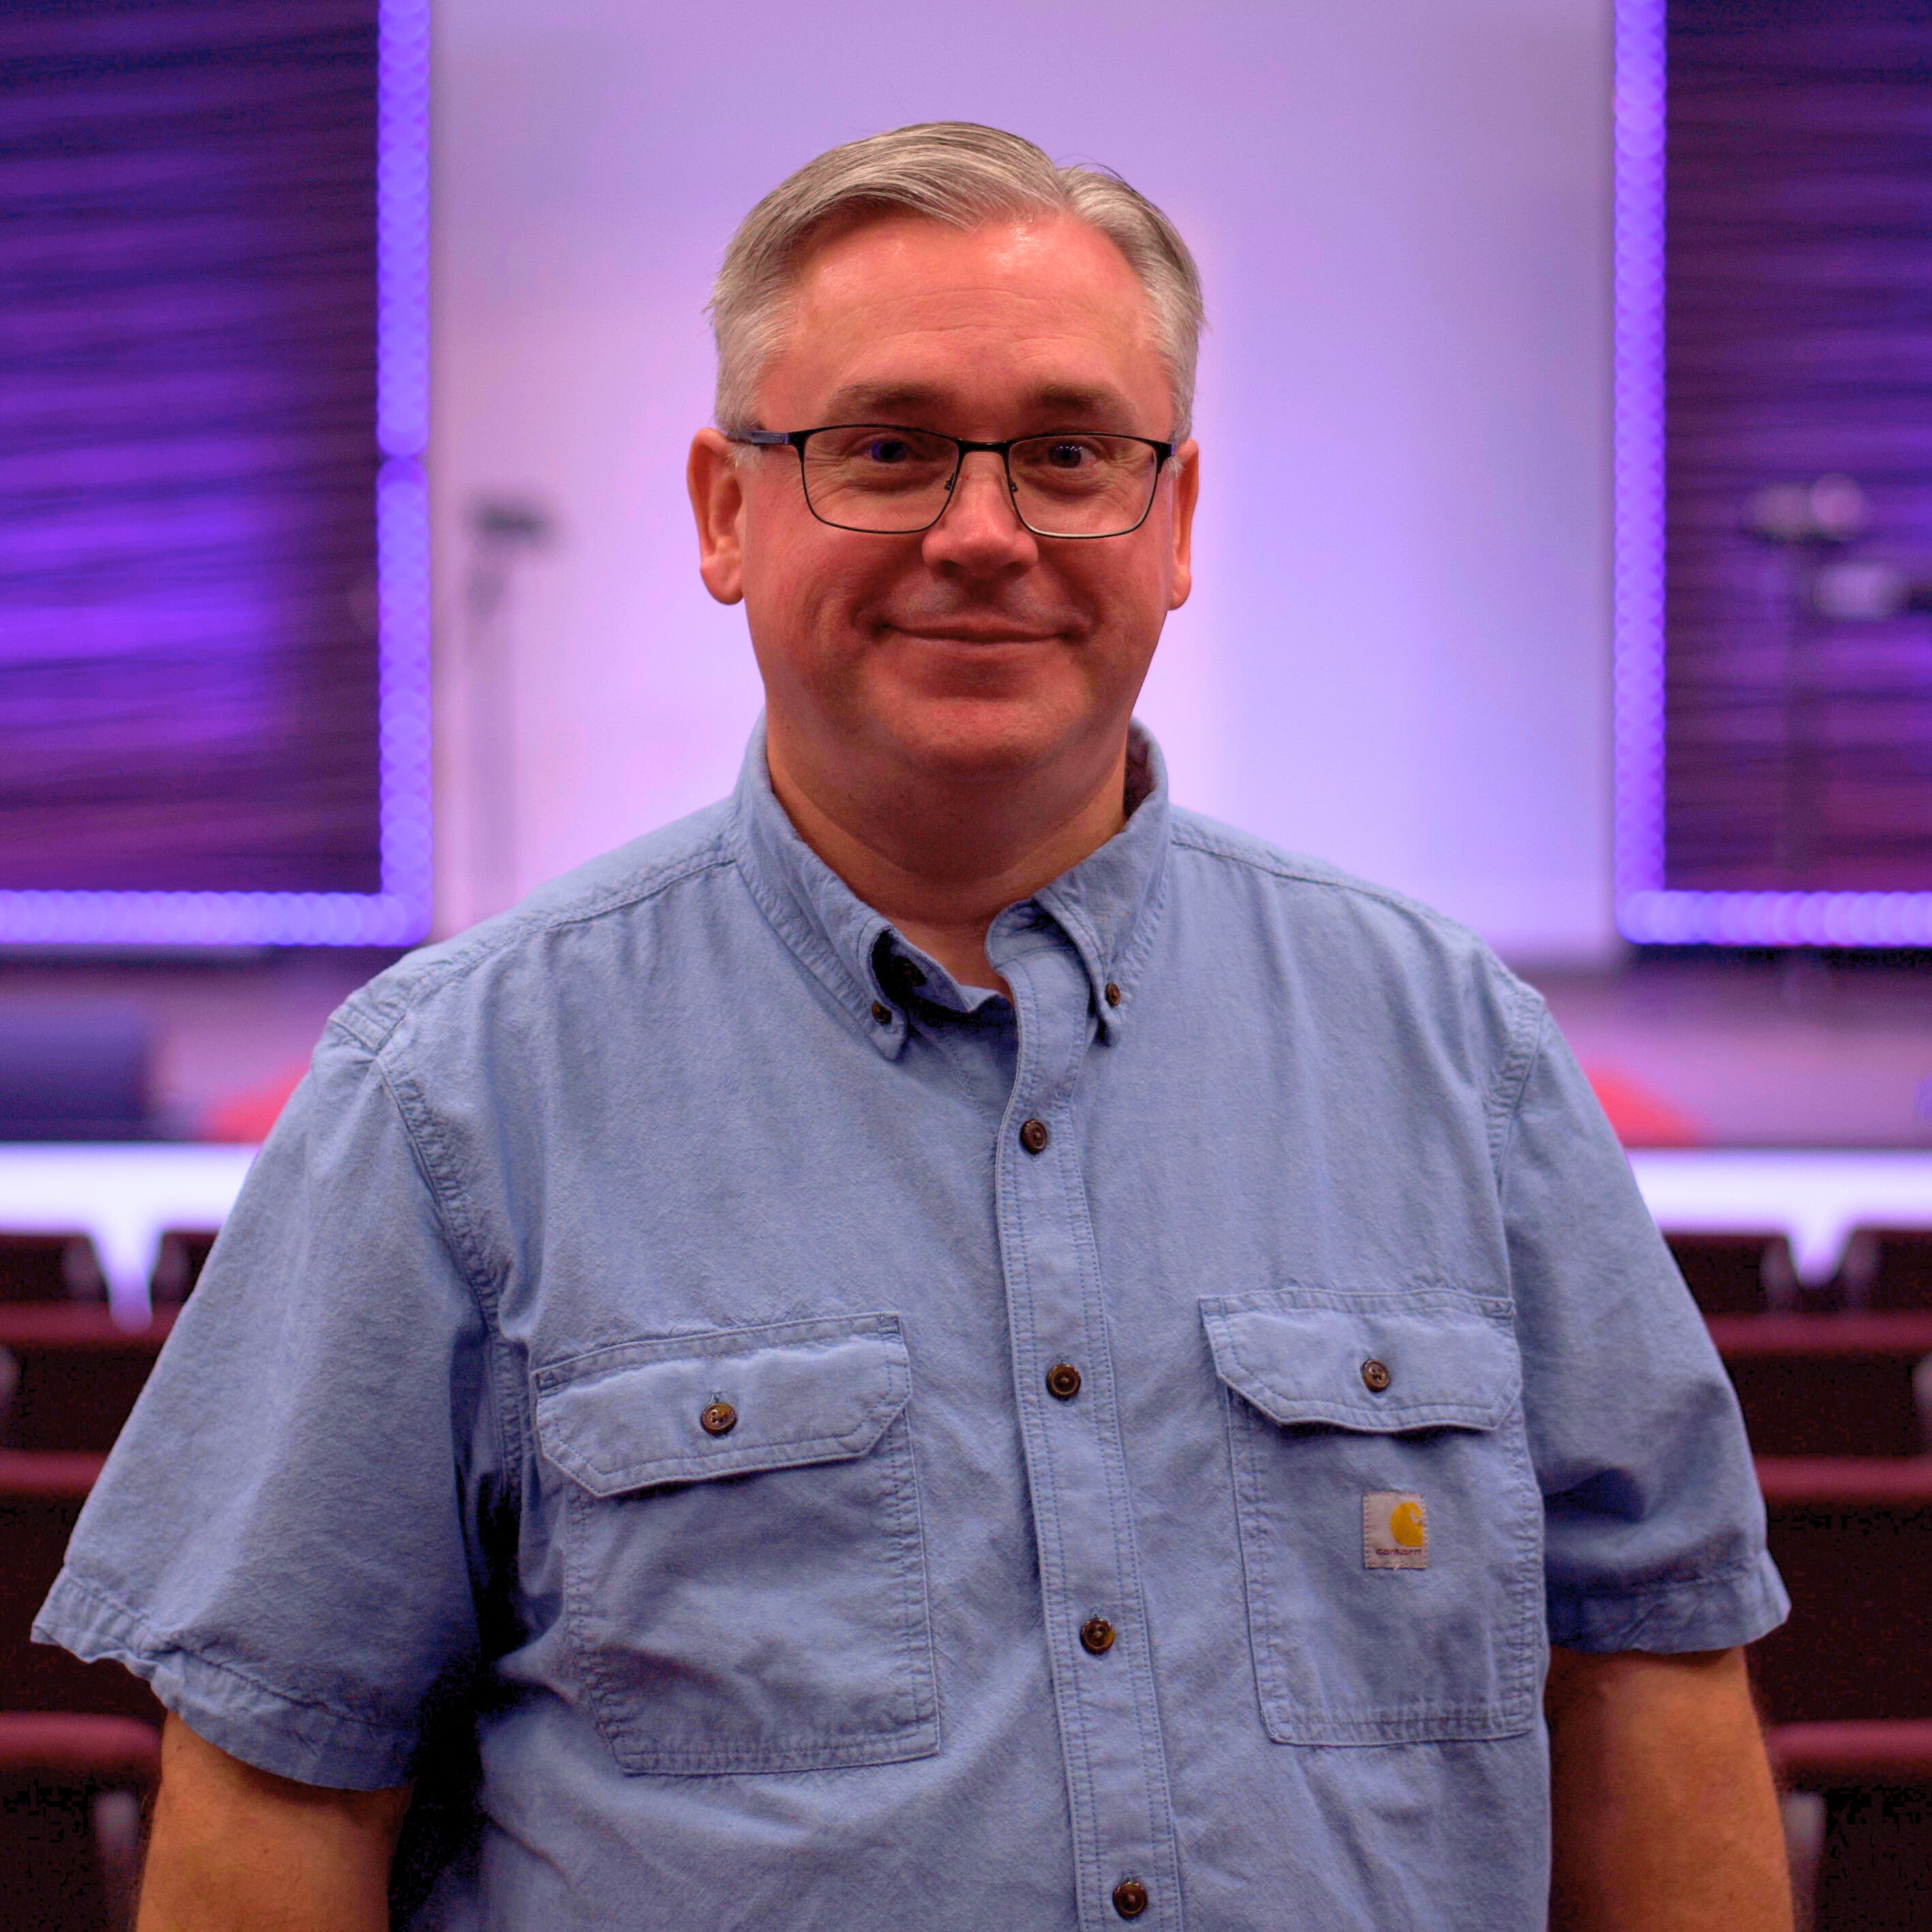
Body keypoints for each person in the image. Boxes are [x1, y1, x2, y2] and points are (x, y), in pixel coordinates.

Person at [40, 123, 1793, 1931]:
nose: (981, 531)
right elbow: (276, 1793)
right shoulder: (449, 1099)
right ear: (727, 512)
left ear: (1172, 520)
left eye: (1066, 453)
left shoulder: (1457, 1056)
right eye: (885, 450)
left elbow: (1650, 1671)